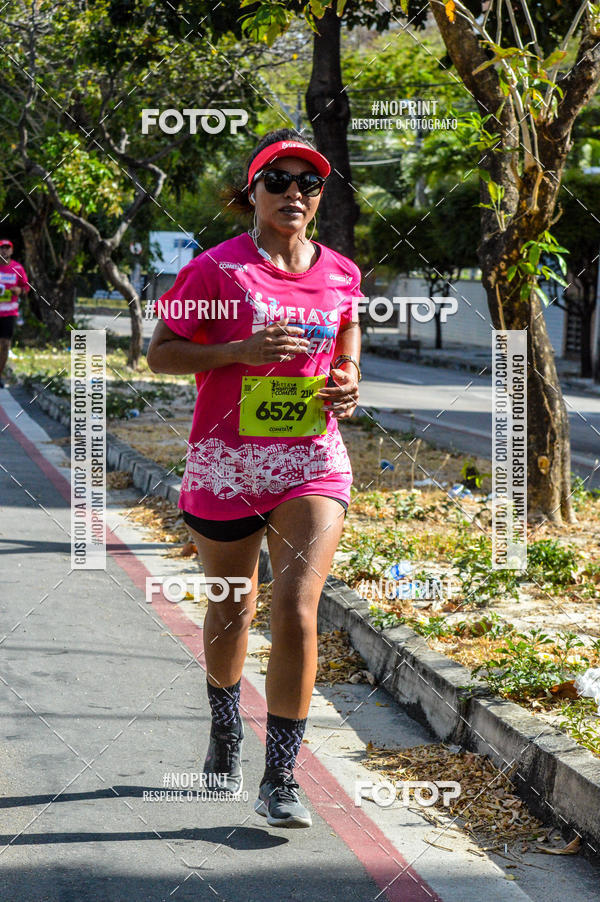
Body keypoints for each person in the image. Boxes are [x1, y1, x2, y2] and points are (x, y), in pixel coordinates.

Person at [147, 128, 364, 828]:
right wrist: (238, 350)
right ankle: (225, 726)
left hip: (310, 459)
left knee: (297, 608)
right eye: (279, 180)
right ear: (253, 191)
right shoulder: (215, 270)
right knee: (232, 608)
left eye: (309, 183)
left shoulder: (341, 271)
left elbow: (348, 325)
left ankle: (281, 778)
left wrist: (349, 373)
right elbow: (160, 353)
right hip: (227, 462)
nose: (295, 192)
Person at [0, 240, 29, 389]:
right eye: (1, 248)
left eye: (7, 248)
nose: (4, 251)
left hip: (9, 312)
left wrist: (20, 290)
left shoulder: (17, 268)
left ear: (11, 251)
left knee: (5, 345)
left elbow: (26, 288)